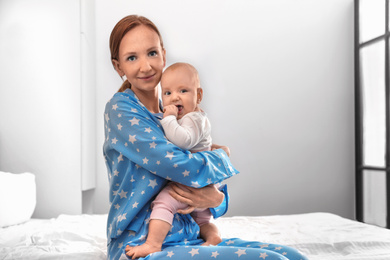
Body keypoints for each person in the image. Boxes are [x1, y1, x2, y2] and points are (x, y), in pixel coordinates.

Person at [103, 14, 308, 260]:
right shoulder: (122, 109)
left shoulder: (175, 113)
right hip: (140, 244)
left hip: (189, 234)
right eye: (132, 58)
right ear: (119, 67)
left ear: (164, 55)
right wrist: (223, 156)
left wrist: (216, 197)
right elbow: (178, 164)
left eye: (152, 53)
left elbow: (209, 193)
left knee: (294, 257)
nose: (145, 66)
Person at [125, 62, 224, 259]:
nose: (175, 97)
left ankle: (153, 243)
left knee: (164, 202)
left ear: (198, 96)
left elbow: (183, 141)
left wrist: (168, 118)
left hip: (194, 181)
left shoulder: (193, 119)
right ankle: (213, 237)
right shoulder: (195, 118)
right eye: (167, 93)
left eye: (183, 90)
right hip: (204, 180)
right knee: (202, 220)